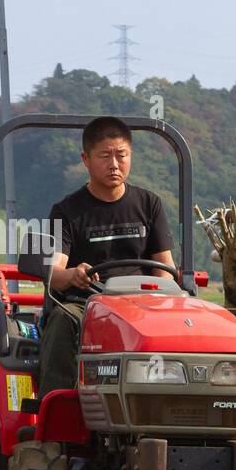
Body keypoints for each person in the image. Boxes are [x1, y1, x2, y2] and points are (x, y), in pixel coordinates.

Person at [37, 116, 176, 399]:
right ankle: (55, 411)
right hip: (86, 303)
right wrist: (74, 274)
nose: (114, 164)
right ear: (85, 159)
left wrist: (167, 300)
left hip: (142, 302)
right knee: (63, 319)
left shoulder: (150, 204)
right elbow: (53, 273)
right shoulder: (64, 211)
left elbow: (165, 268)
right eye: (105, 156)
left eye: (121, 155)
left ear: (131, 157)